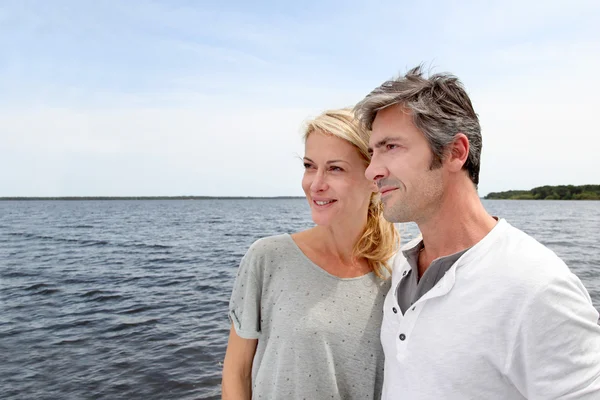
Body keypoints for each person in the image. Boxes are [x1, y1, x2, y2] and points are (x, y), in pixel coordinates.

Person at [354, 66, 600, 399]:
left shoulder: (537, 287)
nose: (372, 170)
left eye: (391, 147)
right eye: (373, 152)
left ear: (455, 152)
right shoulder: (401, 266)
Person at [221, 108, 399, 399]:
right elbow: (236, 371)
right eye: (308, 166)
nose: (315, 184)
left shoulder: (398, 274)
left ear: (373, 178)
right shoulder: (268, 258)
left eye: (335, 168)